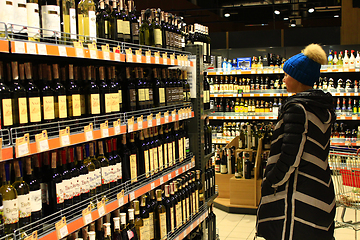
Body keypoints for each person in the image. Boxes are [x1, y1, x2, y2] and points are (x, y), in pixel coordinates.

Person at [256, 44, 336, 240]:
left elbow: (290, 155)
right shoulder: (320, 107)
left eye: (287, 74)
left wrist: (271, 181)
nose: (283, 79)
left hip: (298, 194)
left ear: (298, 78)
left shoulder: (298, 109)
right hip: (319, 187)